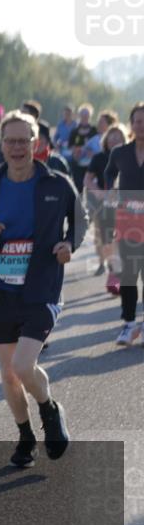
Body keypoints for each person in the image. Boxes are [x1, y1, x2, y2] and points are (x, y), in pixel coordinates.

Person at [0, 110, 86, 468]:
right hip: (2, 290)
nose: (17, 147)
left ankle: (49, 409)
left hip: (42, 288)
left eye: (23, 140)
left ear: (36, 143)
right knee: (8, 373)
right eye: (10, 141)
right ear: (1, 145)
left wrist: (69, 244)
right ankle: (26, 437)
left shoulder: (57, 184)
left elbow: (81, 221)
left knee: (22, 364)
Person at [104, 102, 144, 346]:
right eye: (138, 121)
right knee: (128, 275)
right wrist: (110, 191)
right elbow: (109, 172)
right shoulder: (119, 153)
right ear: (131, 124)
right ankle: (128, 324)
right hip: (128, 222)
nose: (142, 126)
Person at [85, 124, 129, 287]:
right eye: (112, 137)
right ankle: (112, 269)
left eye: (118, 137)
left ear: (125, 139)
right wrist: (100, 193)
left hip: (129, 205)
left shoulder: (131, 156)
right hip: (105, 205)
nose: (115, 140)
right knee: (107, 240)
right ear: (106, 140)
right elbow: (87, 179)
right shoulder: (99, 158)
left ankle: (119, 272)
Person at [68, 103, 98, 193]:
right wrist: (75, 150)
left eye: (86, 114)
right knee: (78, 186)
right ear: (79, 115)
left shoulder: (94, 130)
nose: (84, 117)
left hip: (91, 164)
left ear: (90, 116)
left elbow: (99, 145)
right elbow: (70, 145)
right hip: (77, 163)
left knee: (90, 187)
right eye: (83, 114)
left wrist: (92, 152)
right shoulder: (74, 130)